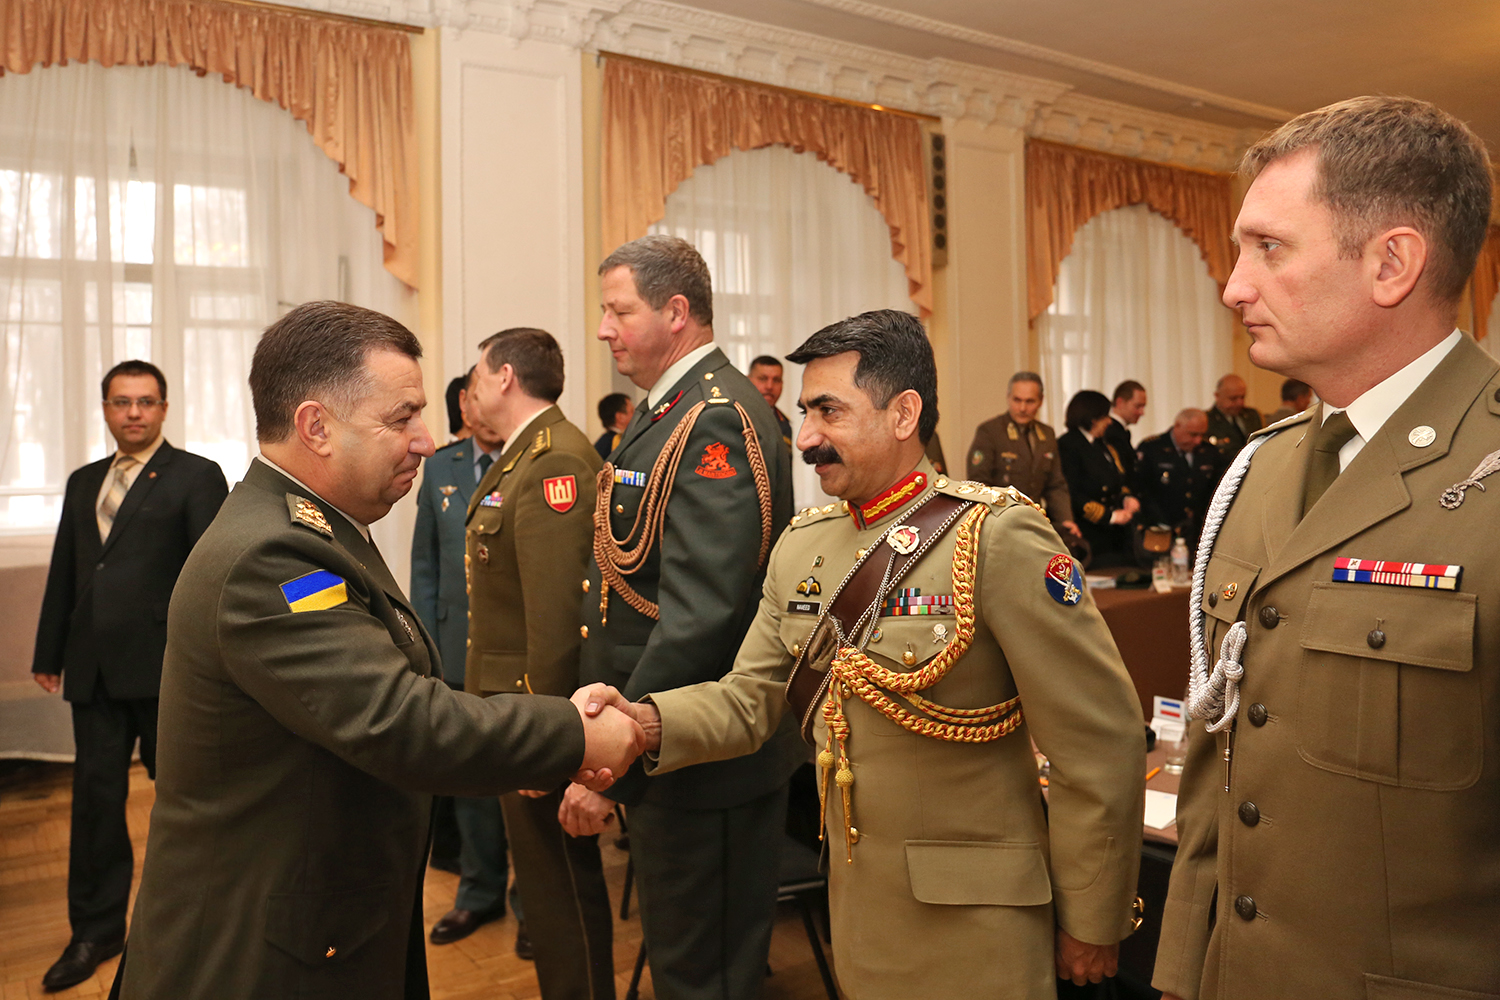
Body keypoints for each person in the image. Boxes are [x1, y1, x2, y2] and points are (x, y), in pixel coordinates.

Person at [580, 309, 1147, 999]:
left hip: (979, 928)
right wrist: (643, 722)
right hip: (857, 916)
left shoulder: (997, 537)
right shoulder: (802, 545)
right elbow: (748, 699)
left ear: (903, 414)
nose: (806, 437)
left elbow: (1098, 740)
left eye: (829, 412)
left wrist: (1093, 916)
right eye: (804, 413)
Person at [113, 301, 644, 1000]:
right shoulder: (270, 557)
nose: (426, 440)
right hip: (263, 954)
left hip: (327, 918)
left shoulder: (315, 529)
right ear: (316, 427)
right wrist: (577, 733)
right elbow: (399, 720)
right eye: (402, 418)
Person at [1154, 96, 1499, 1000]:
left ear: (1392, 264)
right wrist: (1185, 969)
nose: (1234, 287)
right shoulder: (1259, 469)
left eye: (1269, 248)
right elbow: (1221, 751)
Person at [578, 235, 801, 1000]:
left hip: (703, 757)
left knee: (703, 973)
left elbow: (702, 612)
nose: (604, 329)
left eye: (618, 311)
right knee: (684, 962)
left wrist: (620, 738)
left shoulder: (716, 417)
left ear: (676, 313)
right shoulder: (668, 410)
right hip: (668, 744)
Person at [30, 360, 228, 991]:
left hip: (171, 671)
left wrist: (214, 663)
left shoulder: (197, 476)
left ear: (164, 408)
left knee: (188, 804)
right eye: (122, 402)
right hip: (94, 671)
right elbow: (69, 569)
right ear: (106, 409)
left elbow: (211, 576)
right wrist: (48, 652)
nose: (134, 412)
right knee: (94, 806)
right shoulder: (84, 481)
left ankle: (197, 927)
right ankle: (95, 931)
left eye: (146, 401)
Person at [464, 327, 616, 1000]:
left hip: (534, 713)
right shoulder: (524, 454)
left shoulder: (555, 461)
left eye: (477, 376)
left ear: (504, 377)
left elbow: (556, 621)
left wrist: (542, 741)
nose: (472, 391)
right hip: (513, 709)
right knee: (546, 888)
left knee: (560, 891)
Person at [411, 365, 526, 953]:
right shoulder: (441, 466)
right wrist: (425, 647)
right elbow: (426, 565)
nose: (472, 406)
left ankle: (532, 903)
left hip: (522, 652)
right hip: (456, 648)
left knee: (529, 780)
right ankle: (478, 892)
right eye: (466, 398)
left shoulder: (532, 460)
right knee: (472, 780)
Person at [966, 372, 1078, 539]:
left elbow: (1055, 485)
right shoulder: (990, 432)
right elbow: (978, 484)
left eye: (1030, 401)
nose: (1022, 408)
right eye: (1017, 400)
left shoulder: (1046, 435)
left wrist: (1065, 519)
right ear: (1008, 398)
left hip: (1035, 523)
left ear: (1041, 401)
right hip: (1000, 524)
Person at [1058, 390, 1139, 568]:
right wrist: (1110, 516)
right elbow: (1071, 492)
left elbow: (1117, 479)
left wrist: (1126, 498)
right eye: (1105, 416)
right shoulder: (1068, 445)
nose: (1109, 421)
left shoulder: (1102, 444)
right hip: (1090, 532)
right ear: (1093, 418)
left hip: (1115, 533)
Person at [1131, 408, 1220, 551]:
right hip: (1160, 530)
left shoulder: (1209, 452)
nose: (1198, 441)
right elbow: (1140, 488)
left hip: (1198, 532)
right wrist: (1158, 520)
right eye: (1193, 434)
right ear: (1177, 426)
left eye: (1201, 434)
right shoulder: (1152, 449)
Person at [1204, 374, 1262, 458]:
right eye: (1233, 398)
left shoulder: (1252, 416)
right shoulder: (1207, 420)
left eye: (1242, 397)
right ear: (1217, 396)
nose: (1240, 403)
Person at [748, 354, 794, 450]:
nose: (769, 386)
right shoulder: (735, 416)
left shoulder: (783, 422)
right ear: (747, 380)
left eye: (776, 380)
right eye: (763, 379)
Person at [1105, 379, 1147, 480]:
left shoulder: (1120, 431)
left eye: (1143, 407)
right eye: (1138, 406)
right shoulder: (1111, 432)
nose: (1142, 413)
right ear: (1120, 402)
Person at [594, 392, 634, 459]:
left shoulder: (603, 441)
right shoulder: (617, 443)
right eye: (632, 411)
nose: (636, 415)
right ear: (620, 417)